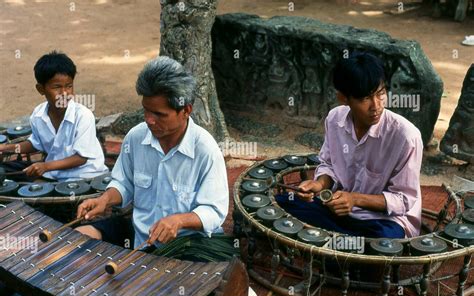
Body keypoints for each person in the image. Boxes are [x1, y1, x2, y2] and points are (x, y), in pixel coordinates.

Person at [75, 56, 237, 262]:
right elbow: (124, 184)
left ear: (186, 110)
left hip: (187, 244)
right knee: (80, 238)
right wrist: (104, 200)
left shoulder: (206, 150)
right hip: (139, 236)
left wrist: (179, 221)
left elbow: (214, 211)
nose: (149, 120)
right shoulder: (135, 138)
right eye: (146, 110)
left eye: (159, 114)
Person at [277, 52, 423, 239]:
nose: (376, 106)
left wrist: (354, 199)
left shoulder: (406, 136)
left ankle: (334, 244)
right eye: (364, 98)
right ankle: (342, 247)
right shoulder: (334, 119)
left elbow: (404, 200)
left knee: (385, 242)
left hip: (384, 221)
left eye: (380, 94)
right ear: (343, 98)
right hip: (339, 211)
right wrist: (318, 184)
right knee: (281, 204)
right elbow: (329, 165)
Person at [0, 51, 108, 181]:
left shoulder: (83, 116)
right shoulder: (38, 115)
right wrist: (6, 149)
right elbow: (36, 143)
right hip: (53, 173)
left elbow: (81, 158)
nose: (64, 93)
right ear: (41, 89)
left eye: (69, 86)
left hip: (84, 176)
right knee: (7, 169)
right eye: (57, 87)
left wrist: (46, 166)